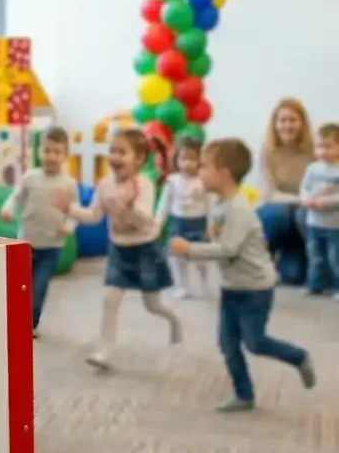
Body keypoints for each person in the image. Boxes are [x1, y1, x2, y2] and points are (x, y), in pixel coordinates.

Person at [170, 138, 316, 413]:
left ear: (223, 173)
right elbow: (222, 238)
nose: (199, 171)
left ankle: (299, 357)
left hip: (255, 289)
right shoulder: (220, 204)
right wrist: (208, 234)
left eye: (204, 166)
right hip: (232, 286)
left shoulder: (238, 207)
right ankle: (244, 395)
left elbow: (227, 249)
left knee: (255, 342)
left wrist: (189, 248)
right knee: (227, 344)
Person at [52, 128, 181, 371]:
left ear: (139, 159)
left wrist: (129, 205)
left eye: (122, 152)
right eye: (112, 151)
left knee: (152, 304)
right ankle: (106, 349)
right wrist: (69, 209)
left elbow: (146, 220)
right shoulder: (104, 184)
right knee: (110, 299)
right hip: (120, 250)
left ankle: (174, 319)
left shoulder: (144, 184)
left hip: (145, 248)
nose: (115, 157)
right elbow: (92, 216)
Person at [0, 127, 78, 338]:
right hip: (26, 242)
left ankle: (30, 324)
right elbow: (16, 196)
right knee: (19, 285)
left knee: (39, 287)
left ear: (65, 156)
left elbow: (74, 212)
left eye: (57, 152)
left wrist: (68, 227)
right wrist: (8, 209)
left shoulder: (68, 184)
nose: (51, 156)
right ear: (40, 151)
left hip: (51, 246)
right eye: (47, 150)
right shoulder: (30, 177)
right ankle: (14, 318)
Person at [256, 98, 315, 284]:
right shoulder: (268, 151)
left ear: (302, 123)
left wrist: (304, 202)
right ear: (275, 124)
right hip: (279, 213)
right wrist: (301, 199)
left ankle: (309, 260)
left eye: (293, 120)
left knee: (293, 277)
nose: (287, 125)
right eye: (282, 120)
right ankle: (262, 262)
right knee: (277, 214)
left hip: (303, 217)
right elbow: (269, 194)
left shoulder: (315, 150)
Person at [156, 136, 210, 299]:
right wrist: (158, 223)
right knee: (177, 256)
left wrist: (212, 225)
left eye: (192, 159)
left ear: (200, 160)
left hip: (198, 223)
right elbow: (163, 205)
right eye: (183, 159)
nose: (187, 163)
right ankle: (181, 285)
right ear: (176, 160)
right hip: (178, 224)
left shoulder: (203, 181)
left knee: (199, 257)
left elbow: (211, 204)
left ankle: (203, 279)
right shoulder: (172, 181)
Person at [299, 123, 339, 298]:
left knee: (335, 258)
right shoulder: (312, 168)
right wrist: (306, 199)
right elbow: (304, 187)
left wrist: (325, 202)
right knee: (315, 255)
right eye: (319, 146)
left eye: (328, 146)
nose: (322, 151)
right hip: (314, 222)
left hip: (334, 224)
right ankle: (315, 284)